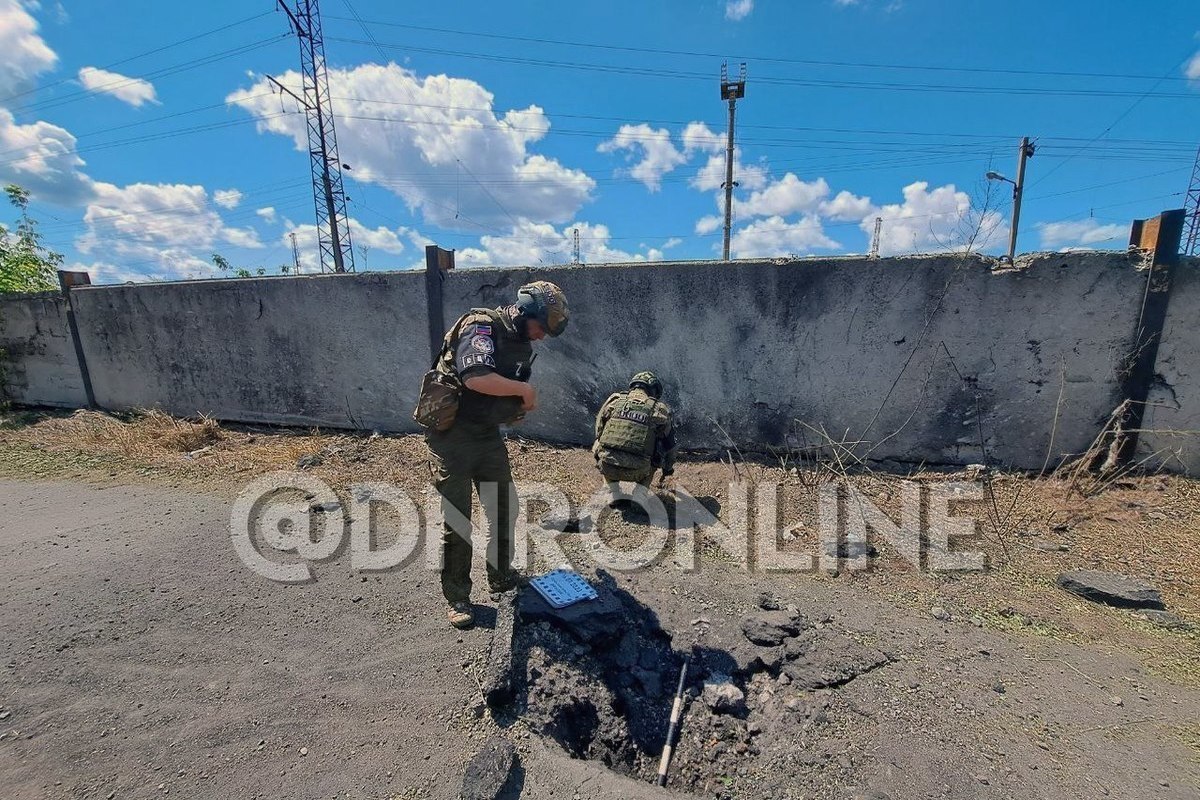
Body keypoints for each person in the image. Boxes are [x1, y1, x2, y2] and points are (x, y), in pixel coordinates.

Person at [425, 281, 568, 629]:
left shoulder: (518, 339)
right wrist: (524, 390)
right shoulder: (481, 326)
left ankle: (501, 578)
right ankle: (457, 595)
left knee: (504, 507)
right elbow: (474, 377)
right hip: (452, 435)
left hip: (485, 435)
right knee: (458, 520)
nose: (541, 338)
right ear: (524, 314)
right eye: (540, 328)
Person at [592, 371, 677, 505]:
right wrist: (668, 471)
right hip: (639, 471)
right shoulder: (659, 409)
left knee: (599, 442)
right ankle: (639, 495)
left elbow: (598, 430)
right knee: (658, 450)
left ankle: (612, 492)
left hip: (608, 466)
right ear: (654, 391)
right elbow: (670, 446)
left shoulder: (615, 400)